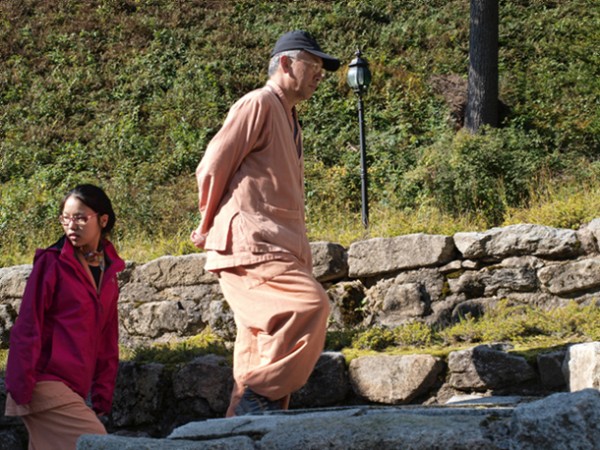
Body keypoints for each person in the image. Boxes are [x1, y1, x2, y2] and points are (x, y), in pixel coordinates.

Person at [190, 30, 340, 416]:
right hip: (251, 242)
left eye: (323, 66)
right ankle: (258, 397)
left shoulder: (288, 117)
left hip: (274, 244)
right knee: (310, 306)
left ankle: (238, 426)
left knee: (260, 342)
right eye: (314, 63)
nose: (320, 72)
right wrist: (206, 223)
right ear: (287, 63)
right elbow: (213, 165)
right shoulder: (258, 103)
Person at [4, 184, 125, 449]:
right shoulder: (52, 263)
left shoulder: (109, 275)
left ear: (103, 220)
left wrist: (103, 394)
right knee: (98, 444)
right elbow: (28, 324)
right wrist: (21, 384)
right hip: (43, 382)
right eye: (66, 218)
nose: (72, 225)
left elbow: (107, 340)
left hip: (73, 388)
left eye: (81, 217)